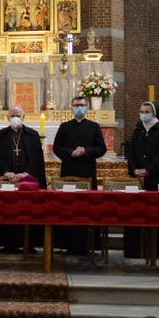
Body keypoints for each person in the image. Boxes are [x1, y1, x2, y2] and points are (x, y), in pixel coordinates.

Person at [52, 96, 108, 255]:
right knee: (68, 206)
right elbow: (57, 148)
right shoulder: (64, 127)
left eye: (82, 105)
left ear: (87, 108)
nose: (79, 108)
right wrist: (71, 152)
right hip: (69, 170)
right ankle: (67, 243)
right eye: (76, 105)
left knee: (87, 207)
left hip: (87, 171)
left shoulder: (94, 126)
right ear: (71, 108)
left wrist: (86, 151)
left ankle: (87, 244)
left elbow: (101, 148)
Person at [0, 105, 46, 252]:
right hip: (6, 181)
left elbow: (37, 160)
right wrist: (5, 172)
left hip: (28, 181)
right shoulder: (0, 135)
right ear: (7, 118)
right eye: (12, 116)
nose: (15, 118)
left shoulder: (32, 135)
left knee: (27, 211)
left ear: (23, 117)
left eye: (18, 116)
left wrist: (26, 173)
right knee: (7, 210)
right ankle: (8, 244)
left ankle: (29, 244)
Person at [125, 101, 159, 258]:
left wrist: (148, 170)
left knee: (157, 214)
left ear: (154, 113)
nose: (143, 114)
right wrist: (134, 169)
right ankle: (137, 250)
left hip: (158, 178)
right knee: (137, 213)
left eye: (147, 111)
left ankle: (157, 250)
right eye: (141, 111)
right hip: (140, 179)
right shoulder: (139, 129)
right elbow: (130, 151)